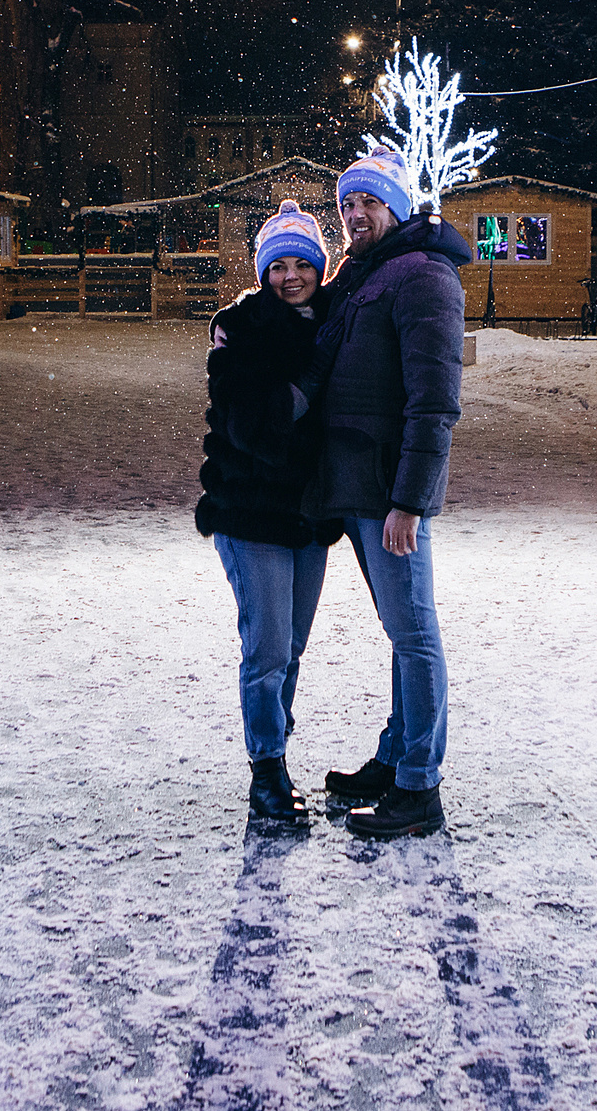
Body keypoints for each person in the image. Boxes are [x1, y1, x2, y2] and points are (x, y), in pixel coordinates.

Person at [304, 150, 472, 840]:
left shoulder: (424, 275)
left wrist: (410, 500)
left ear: (397, 207)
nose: (355, 214)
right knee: (401, 635)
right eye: (346, 204)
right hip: (359, 488)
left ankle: (419, 788)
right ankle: (396, 755)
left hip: (388, 495)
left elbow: (435, 403)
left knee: (415, 633)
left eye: (369, 202)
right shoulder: (363, 274)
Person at [194, 201, 339, 827]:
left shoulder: (333, 324)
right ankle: (267, 772)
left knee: (293, 647)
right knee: (268, 649)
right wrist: (306, 392)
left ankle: (275, 756)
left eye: (300, 264)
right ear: (261, 272)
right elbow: (251, 424)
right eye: (276, 266)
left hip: (306, 515)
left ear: (318, 267)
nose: (289, 277)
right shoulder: (241, 327)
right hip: (250, 513)